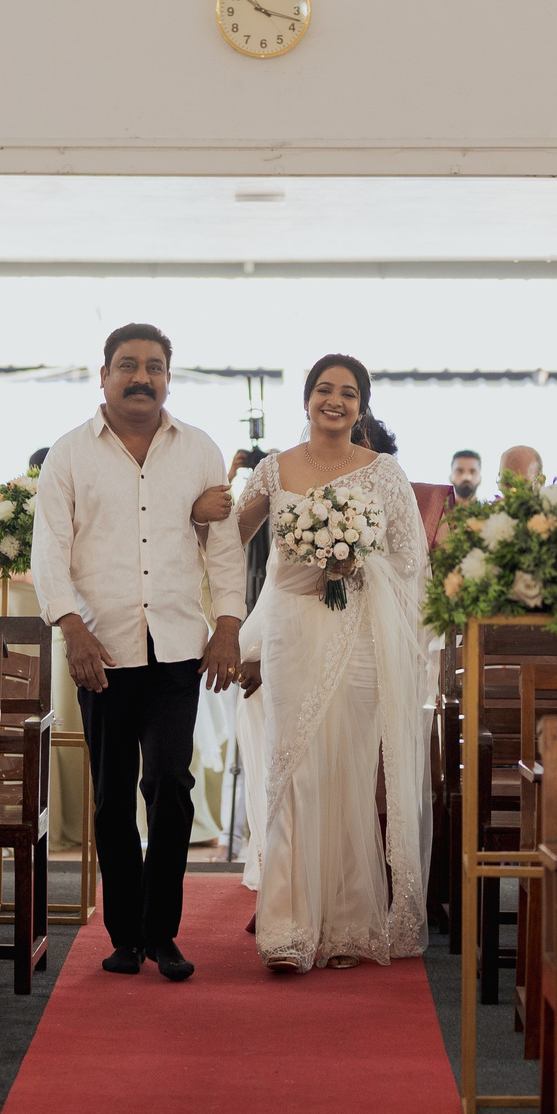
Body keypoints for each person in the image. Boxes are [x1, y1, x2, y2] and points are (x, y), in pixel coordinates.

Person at [33, 322, 245, 982]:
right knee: (111, 797)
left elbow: (225, 547)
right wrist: (72, 628)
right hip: (100, 649)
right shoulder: (70, 454)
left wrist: (229, 626)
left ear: (168, 378)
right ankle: (125, 933)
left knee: (171, 785)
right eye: (128, 365)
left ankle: (163, 932)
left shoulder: (199, 449)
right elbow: (50, 552)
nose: (141, 376)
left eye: (154, 366)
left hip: (180, 647)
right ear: (103, 374)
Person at [233, 353, 433, 973]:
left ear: (362, 406)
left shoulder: (384, 473)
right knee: (293, 770)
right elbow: (231, 540)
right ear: (306, 399)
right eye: (325, 389)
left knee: (348, 769)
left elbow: (409, 560)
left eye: (349, 393)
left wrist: (356, 562)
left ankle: (348, 923)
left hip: (361, 634)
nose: (335, 401)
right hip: (292, 628)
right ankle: (288, 927)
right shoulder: (274, 470)